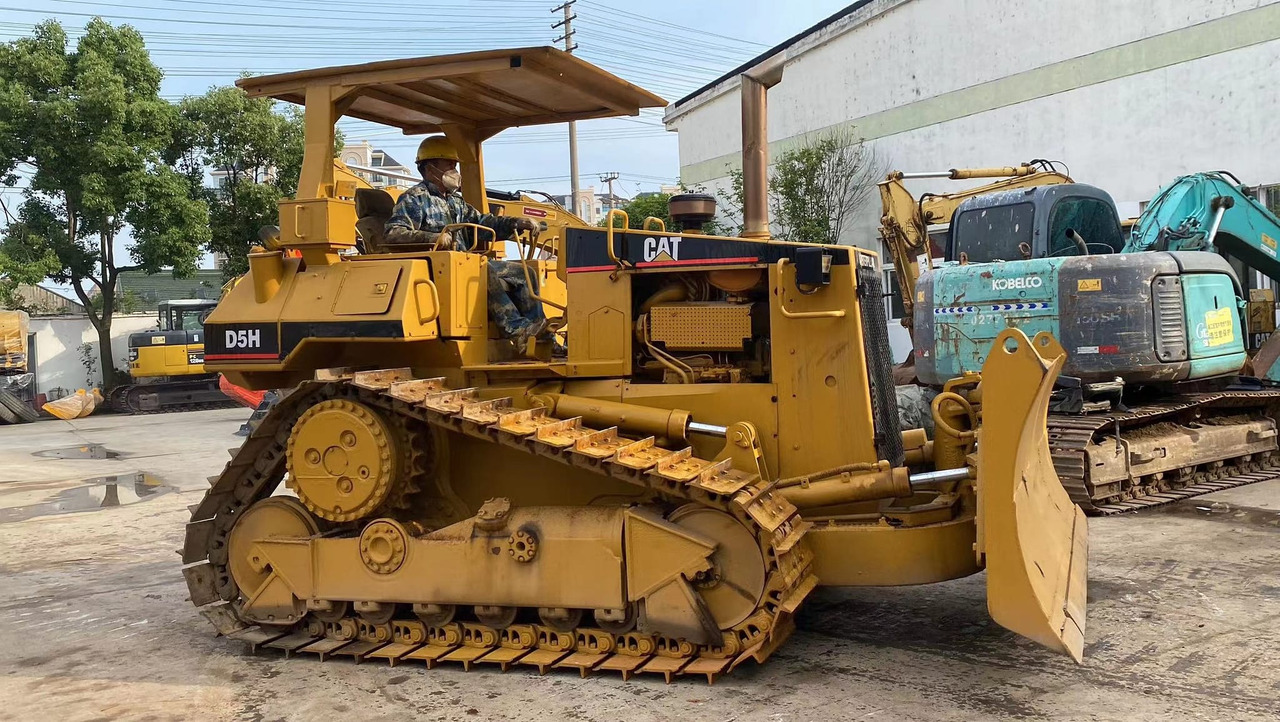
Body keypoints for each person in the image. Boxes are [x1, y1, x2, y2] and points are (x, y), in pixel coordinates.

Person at [385, 136, 550, 353]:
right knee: (484, 269)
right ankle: (517, 330)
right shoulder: (414, 199)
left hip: (464, 265)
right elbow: (393, 233)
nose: (454, 170)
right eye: (449, 165)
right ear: (429, 167)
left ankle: (539, 333)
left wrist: (516, 223)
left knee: (524, 272)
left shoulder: (455, 201)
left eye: (455, 165)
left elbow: (483, 222)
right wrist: (433, 238)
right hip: (438, 271)